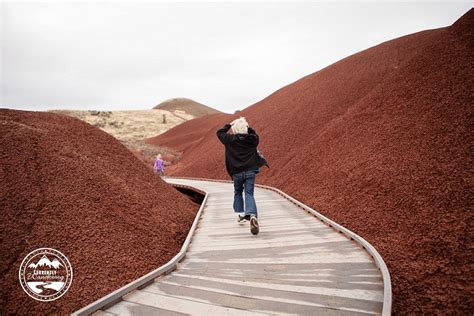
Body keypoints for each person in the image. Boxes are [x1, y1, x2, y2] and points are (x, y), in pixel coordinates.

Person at [217, 117, 260, 235]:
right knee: (249, 193)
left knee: (238, 192)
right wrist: (247, 127)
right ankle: (252, 215)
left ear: (234, 129)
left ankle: (241, 212)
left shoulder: (229, 139)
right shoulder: (252, 139)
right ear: (246, 128)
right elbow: (254, 134)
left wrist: (229, 125)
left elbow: (219, 132)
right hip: (250, 171)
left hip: (236, 173)